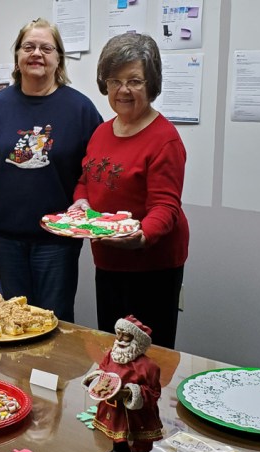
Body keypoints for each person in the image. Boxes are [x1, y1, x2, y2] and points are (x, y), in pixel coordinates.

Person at [0, 18, 102, 323]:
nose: (37, 53)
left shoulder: (81, 110)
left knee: (54, 320)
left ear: (58, 58)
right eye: (29, 46)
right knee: (14, 321)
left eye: (46, 48)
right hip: (6, 238)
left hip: (57, 242)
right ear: (18, 56)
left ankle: (53, 375)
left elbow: (95, 172)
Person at [72, 33, 188, 348]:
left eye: (134, 81)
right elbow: (87, 177)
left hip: (152, 266)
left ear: (151, 84)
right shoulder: (101, 132)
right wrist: (81, 201)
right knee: (114, 348)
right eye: (114, 80)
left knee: (148, 355)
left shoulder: (164, 139)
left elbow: (166, 207)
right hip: (108, 258)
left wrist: (139, 238)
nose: (123, 90)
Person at [81, 315, 162, 452]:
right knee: (118, 434)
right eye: (118, 334)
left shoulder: (149, 367)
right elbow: (102, 370)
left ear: (137, 340)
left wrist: (128, 393)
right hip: (114, 410)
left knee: (139, 442)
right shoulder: (111, 354)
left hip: (137, 414)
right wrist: (94, 380)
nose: (119, 340)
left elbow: (154, 392)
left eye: (125, 336)